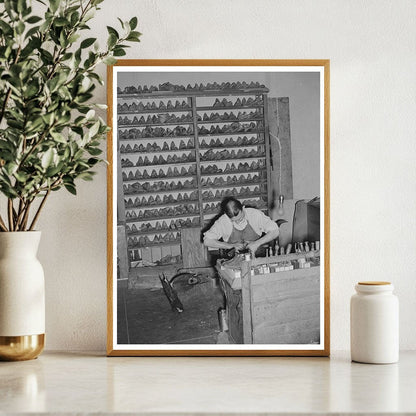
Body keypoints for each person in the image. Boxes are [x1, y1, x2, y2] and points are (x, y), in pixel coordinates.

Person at [203, 197, 279, 257]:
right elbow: (207, 241)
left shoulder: (254, 214)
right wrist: (230, 246)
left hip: (257, 256)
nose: (239, 222)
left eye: (241, 218)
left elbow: (275, 231)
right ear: (226, 215)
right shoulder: (223, 221)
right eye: (234, 220)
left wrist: (257, 243)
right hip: (233, 258)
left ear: (243, 208)